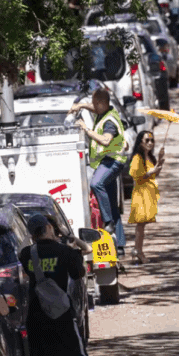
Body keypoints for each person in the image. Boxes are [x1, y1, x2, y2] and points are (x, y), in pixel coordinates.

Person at [19, 214, 97, 356]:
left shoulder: (26, 254)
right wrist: (70, 247)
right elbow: (79, 274)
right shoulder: (64, 252)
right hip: (61, 314)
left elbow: (25, 268)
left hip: (36, 316)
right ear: (48, 227)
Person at [71, 89, 127, 256]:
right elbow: (94, 107)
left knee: (96, 183)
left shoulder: (110, 121)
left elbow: (105, 139)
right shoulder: (106, 110)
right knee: (111, 202)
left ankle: (108, 222)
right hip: (107, 160)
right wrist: (81, 105)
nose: (93, 107)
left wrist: (86, 129)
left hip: (113, 160)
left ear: (102, 104)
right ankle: (121, 245)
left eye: (95, 104)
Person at [128, 130, 165, 265]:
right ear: (140, 142)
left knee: (142, 225)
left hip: (149, 193)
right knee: (140, 224)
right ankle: (138, 250)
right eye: (147, 140)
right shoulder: (137, 158)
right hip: (141, 193)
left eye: (152, 140)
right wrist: (151, 172)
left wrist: (160, 160)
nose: (150, 143)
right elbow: (136, 175)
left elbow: (156, 173)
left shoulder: (150, 156)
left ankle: (138, 249)